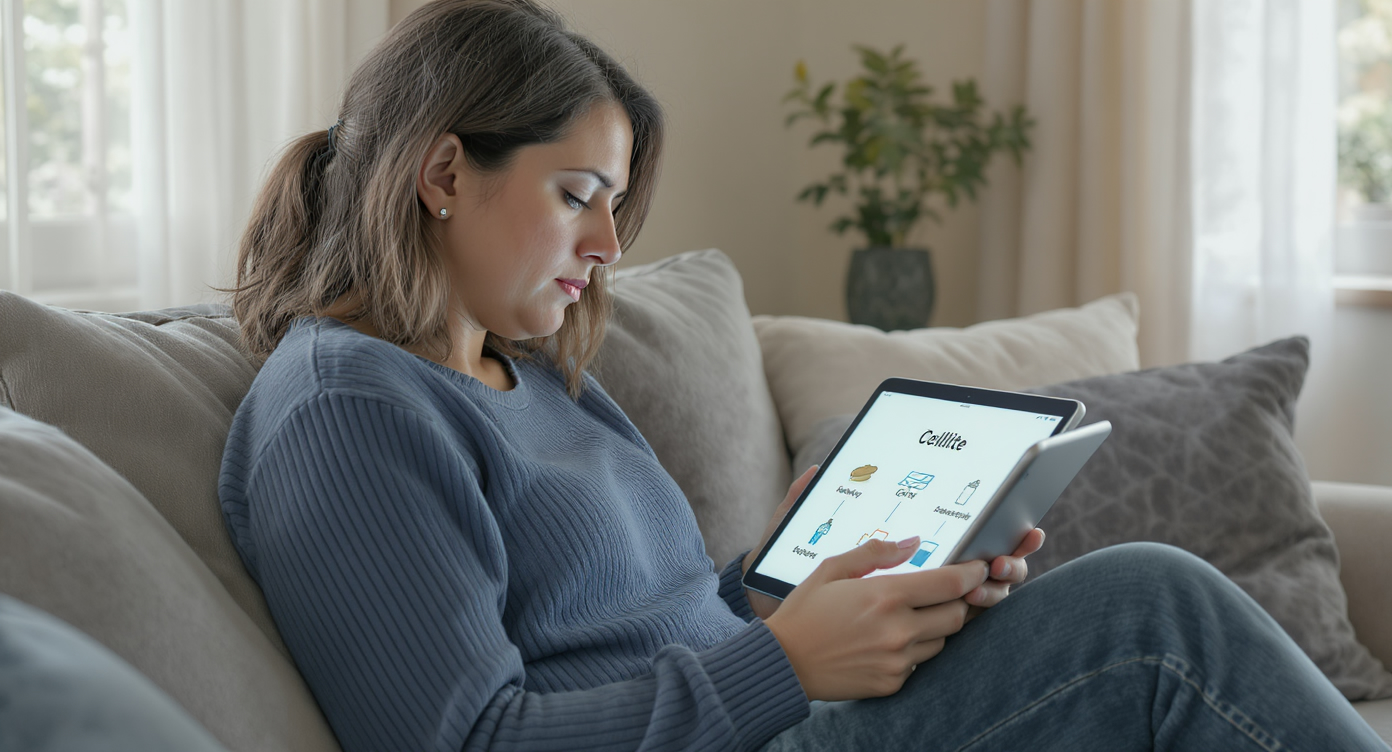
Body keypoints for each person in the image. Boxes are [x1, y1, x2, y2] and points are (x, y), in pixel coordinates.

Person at [217, 1, 1392, 750]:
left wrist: (781, 587)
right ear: (441, 172)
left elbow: (652, 626)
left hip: (779, 713)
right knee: (1152, 610)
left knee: (1097, 604)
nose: (610, 247)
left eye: (616, 207)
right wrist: (783, 663)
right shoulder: (346, 408)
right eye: (579, 195)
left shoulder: (536, 373)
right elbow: (467, 737)